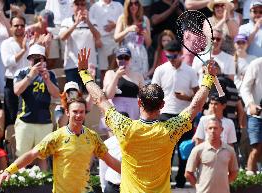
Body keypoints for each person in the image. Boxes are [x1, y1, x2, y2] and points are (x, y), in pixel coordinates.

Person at [77, 47, 217, 192]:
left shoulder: (124, 127)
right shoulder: (171, 129)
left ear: (139, 102)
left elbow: (100, 99)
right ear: (162, 105)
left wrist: (84, 73)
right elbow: (195, 106)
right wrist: (208, 79)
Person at [0, 97, 121, 193]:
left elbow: (109, 160)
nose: (78, 115)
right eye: (75, 112)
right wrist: (9, 170)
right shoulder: (56, 137)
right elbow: (32, 154)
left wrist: (133, 173)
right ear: (67, 112)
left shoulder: (92, 136)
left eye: (82, 112)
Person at [151, 40, 199, 188]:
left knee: (184, 149)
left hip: (184, 114)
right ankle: (166, 181)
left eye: (174, 56)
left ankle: (181, 180)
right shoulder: (160, 70)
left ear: (181, 55)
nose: (171, 60)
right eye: (168, 56)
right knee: (166, 151)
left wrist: (187, 97)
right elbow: (153, 91)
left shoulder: (190, 71)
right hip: (165, 114)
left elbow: (198, 95)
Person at [13, 44, 59, 171]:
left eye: (40, 58)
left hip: (44, 122)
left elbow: (56, 94)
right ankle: (19, 185)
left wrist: (47, 80)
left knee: (42, 157)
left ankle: (43, 186)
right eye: (34, 58)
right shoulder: (22, 72)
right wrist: (31, 75)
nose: (37, 61)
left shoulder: (50, 74)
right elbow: (16, 90)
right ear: (29, 59)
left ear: (44, 59)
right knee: (22, 157)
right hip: (25, 121)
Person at [185, 116, 238, 193]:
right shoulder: (198, 149)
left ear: (221, 130)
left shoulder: (229, 150)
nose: (213, 131)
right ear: (206, 130)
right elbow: (188, 173)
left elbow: (234, 172)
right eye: (210, 128)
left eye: (215, 128)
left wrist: (224, 184)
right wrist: (198, 187)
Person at [59, 0, 100, 91]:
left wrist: (88, 22)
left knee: (89, 95)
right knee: (73, 96)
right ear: (72, 6)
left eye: (82, 4)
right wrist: (75, 23)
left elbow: (98, 37)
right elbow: (62, 37)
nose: (80, 6)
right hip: (72, 65)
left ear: (86, 6)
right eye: (77, 4)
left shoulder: (92, 21)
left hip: (89, 65)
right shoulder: (66, 21)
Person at [1, 15, 29, 128]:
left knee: (27, 116)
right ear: (11, 28)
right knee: (12, 116)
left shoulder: (29, 42)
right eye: (16, 25)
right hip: (11, 83)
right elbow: (7, 62)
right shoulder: (6, 43)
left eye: (22, 25)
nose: (19, 28)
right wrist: (23, 50)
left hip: (27, 83)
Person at [114, 0, 152, 77]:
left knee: (141, 79)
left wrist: (145, 34)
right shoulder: (122, 18)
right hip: (126, 53)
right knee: (126, 78)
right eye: (131, 4)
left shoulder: (144, 19)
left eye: (136, 3)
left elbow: (149, 43)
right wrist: (128, 30)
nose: (133, 6)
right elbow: (116, 38)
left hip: (140, 53)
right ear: (127, 6)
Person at [89, 0, 123, 84]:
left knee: (118, 66)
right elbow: (90, 24)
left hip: (117, 39)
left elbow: (124, 20)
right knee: (103, 68)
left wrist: (115, 25)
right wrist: (96, 39)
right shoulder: (94, 7)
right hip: (102, 40)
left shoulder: (118, 5)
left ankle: (116, 88)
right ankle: (105, 89)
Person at [240, 57, 262, 174]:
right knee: (256, 148)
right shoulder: (256, 64)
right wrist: (251, 104)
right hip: (257, 115)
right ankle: (250, 180)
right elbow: (245, 88)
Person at [99, 111, 129, 193]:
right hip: (112, 187)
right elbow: (103, 168)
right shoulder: (107, 144)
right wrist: (103, 187)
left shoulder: (137, 143)